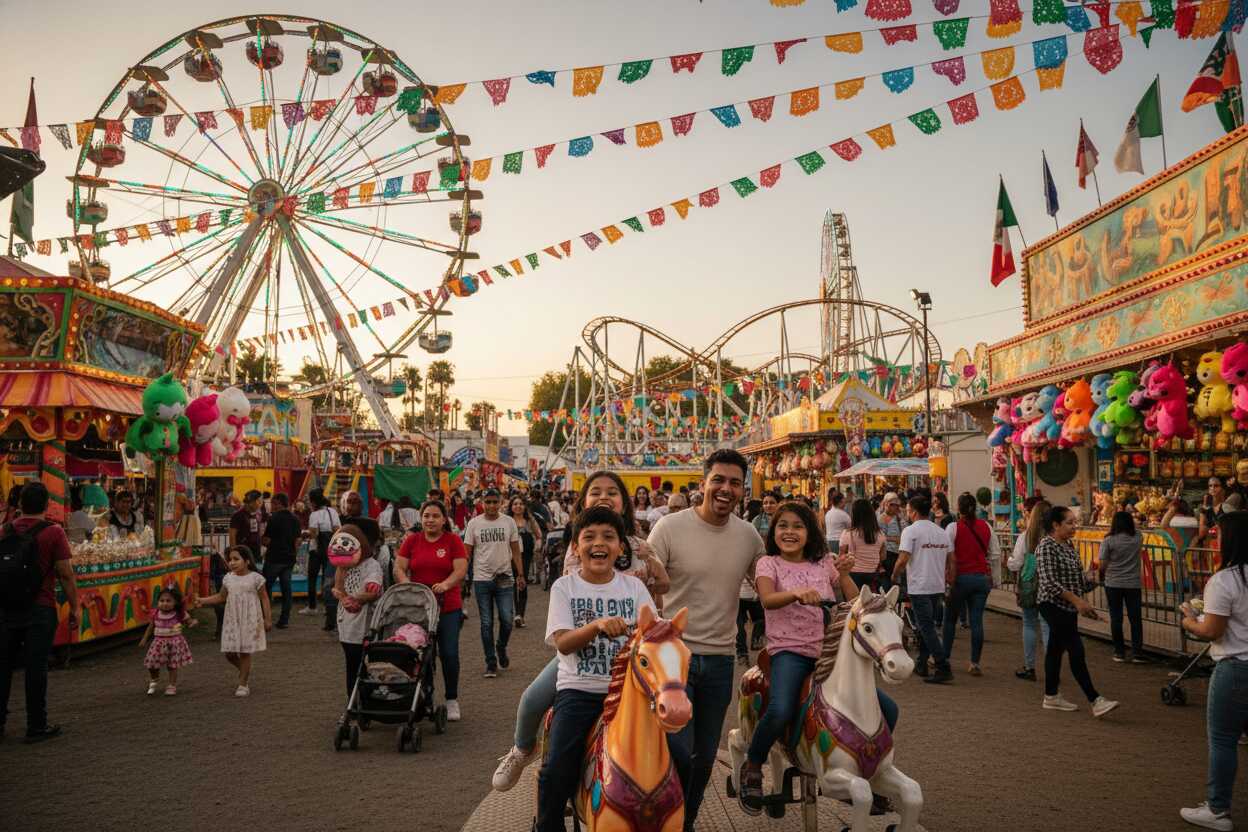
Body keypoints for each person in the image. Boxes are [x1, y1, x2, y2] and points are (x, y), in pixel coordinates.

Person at [737, 500, 899, 813]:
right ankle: (754, 765)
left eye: (797, 526)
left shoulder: (824, 562)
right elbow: (768, 599)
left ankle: (867, 772)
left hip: (826, 652)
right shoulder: (768, 564)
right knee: (781, 707)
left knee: (888, 709)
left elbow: (855, 602)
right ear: (774, 532)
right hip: (789, 651)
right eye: (783, 525)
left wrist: (845, 574)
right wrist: (796, 594)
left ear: (810, 533)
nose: (789, 532)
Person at [648, 449, 765, 829]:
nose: (725, 489)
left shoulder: (748, 537)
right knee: (676, 751)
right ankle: (666, 817)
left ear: (743, 490)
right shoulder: (669, 528)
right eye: (718, 480)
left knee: (702, 757)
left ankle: (686, 821)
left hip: (719, 660)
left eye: (734, 483)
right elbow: (645, 585)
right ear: (704, 483)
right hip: (673, 660)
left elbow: (770, 585)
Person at [535, 505, 655, 832]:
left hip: (631, 694)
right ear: (576, 546)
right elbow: (563, 642)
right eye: (588, 537)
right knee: (557, 766)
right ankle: (546, 826)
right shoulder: (565, 588)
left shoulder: (634, 589)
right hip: (581, 691)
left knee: (677, 754)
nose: (598, 543)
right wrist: (597, 626)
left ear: (621, 547)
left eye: (608, 536)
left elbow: (653, 636)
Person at [1180, 512, 1248, 831]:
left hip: (1234, 670)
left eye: (1219, 533)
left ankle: (1218, 809)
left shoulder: (1225, 580)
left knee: (1223, 740)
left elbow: (1211, 631)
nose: (1214, 538)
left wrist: (1189, 619)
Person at [0, 482, 78, 743]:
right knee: (36, 668)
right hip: (40, 608)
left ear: (20, 504)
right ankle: (36, 725)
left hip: (6, 609)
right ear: (47, 505)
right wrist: (74, 607)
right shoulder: (53, 532)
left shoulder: (5, 530)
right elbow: (65, 574)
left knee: (4, 667)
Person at [1035, 505, 1119, 716]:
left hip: (1068, 606)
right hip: (1052, 604)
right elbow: (1049, 582)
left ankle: (1051, 696)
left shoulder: (1069, 546)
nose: (1074, 526)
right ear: (1055, 525)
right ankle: (1094, 699)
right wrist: (1077, 601)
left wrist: (1097, 575)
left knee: (1055, 650)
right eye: (1069, 522)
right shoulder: (1046, 546)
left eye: (1075, 522)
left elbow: (1079, 580)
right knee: (1075, 649)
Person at [395, 499, 468, 721]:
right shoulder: (412, 541)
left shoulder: (453, 540)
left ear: (444, 520)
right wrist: (406, 584)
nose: (430, 520)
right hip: (418, 607)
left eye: (435, 516)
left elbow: (461, 569)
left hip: (448, 606)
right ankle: (424, 696)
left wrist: (446, 584)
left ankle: (452, 699)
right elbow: (399, 566)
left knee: (448, 653)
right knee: (420, 653)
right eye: (426, 515)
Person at [892, 494, 954, 684]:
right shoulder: (941, 532)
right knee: (927, 626)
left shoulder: (910, 532)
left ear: (915, 512)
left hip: (919, 586)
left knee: (926, 628)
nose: (907, 513)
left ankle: (942, 665)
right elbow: (951, 559)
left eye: (908, 510)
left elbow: (903, 558)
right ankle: (921, 663)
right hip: (937, 586)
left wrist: (894, 575)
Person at [196, 545, 271, 697]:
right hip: (232, 620)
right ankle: (245, 670)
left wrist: (267, 619)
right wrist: (202, 601)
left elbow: (264, 598)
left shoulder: (256, 578)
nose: (232, 562)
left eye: (236, 559)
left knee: (244, 652)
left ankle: (243, 684)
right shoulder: (228, 578)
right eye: (230, 559)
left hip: (249, 619)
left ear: (247, 561)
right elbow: (221, 597)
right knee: (229, 653)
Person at [464, 489, 524, 678]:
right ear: (482, 502)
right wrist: (463, 576)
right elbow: (467, 553)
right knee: (486, 623)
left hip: (505, 577)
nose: (491, 506)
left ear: (501, 502)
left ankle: (501, 646)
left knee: (507, 620)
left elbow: (515, 550)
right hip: (481, 580)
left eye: (494, 502)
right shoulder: (474, 524)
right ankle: (490, 662)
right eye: (487, 502)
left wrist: (521, 574)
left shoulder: (509, 522)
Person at [943, 493, 999, 676]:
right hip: (981, 579)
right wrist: (994, 579)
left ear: (958, 508)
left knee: (950, 619)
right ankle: (975, 662)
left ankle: (945, 657)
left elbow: (947, 554)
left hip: (960, 579)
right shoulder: (986, 527)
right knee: (977, 622)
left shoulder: (953, 528)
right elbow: (995, 554)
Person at [331, 526, 383, 702]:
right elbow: (338, 588)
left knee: (369, 663)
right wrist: (341, 595)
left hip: (367, 623)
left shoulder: (371, 565)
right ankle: (352, 701)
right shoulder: (341, 566)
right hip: (347, 623)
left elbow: (373, 589)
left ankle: (368, 698)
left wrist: (360, 596)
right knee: (352, 664)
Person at [1008, 500, 1052, 681]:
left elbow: (1015, 563)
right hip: (1050, 585)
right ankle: (1052, 667)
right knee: (1047, 626)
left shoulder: (1025, 537)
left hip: (1029, 585)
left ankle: (1029, 667)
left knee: (1029, 623)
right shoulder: (1053, 538)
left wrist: (1010, 561)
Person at [1098, 510, 1148, 663]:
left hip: (1113, 583)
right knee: (1135, 618)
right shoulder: (1138, 537)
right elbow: (1139, 528)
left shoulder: (1108, 541)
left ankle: (1119, 652)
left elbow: (1102, 564)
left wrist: (1102, 576)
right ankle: (1137, 652)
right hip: (1133, 584)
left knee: (1116, 618)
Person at [139, 586, 195, 696]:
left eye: (168, 601)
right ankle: (154, 678)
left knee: (172, 665)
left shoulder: (179, 614)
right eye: (162, 601)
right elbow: (151, 627)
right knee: (151, 663)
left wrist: (192, 623)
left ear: (175, 602)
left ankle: (172, 685)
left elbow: (189, 621)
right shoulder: (156, 614)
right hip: (158, 643)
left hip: (174, 643)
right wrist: (144, 639)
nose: (165, 603)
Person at [260, 494, 301, 629]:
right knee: (286, 590)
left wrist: (263, 542)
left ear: (278, 503)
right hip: (289, 559)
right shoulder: (295, 519)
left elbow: (266, 540)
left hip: (274, 558)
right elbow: (298, 541)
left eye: (272, 503)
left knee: (265, 589)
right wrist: (293, 554)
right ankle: (284, 620)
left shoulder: (274, 518)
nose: (271, 506)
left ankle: (266, 618)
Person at [302, 489, 339, 621]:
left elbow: (313, 534)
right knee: (327, 578)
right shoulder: (332, 512)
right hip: (330, 549)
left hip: (316, 550)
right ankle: (327, 606)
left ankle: (312, 607)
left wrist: (306, 533)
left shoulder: (314, 515)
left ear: (313, 502)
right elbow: (337, 530)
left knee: (312, 578)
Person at [506, 495, 542, 629]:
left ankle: (520, 614)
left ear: (524, 506)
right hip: (510, 555)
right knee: (513, 582)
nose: (518, 506)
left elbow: (538, 534)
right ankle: (516, 614)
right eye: (515, 504)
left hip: (526, 555)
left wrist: (537, 546)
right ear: (511, 506)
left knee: (523, 582)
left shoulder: (529, 520)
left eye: (521, 503)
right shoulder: (507, 521)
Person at [840, 498, 886, 591]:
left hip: (852, 575)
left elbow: (842, 556)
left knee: (853, 603)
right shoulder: (880, 534)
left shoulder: (848, 533)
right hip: (872, 575)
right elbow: (883, 556)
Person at [877, 492, 906, 592]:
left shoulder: (899, 516)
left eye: (896, 504)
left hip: (899, 552)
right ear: (885, 504)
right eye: (891, 504)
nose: (894, 507)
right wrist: (895, 539)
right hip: (888, 553)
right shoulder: (882, 518)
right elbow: (880, 537)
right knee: (888, 581)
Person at [229, 490, 264, 565]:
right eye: (259, 501)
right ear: (251, 502)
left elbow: (258, 531)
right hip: (243, 550)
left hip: (256, 551)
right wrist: (234, 552)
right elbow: (232, 535)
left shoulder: (258, 513)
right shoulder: (238, 515)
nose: (261, 503)